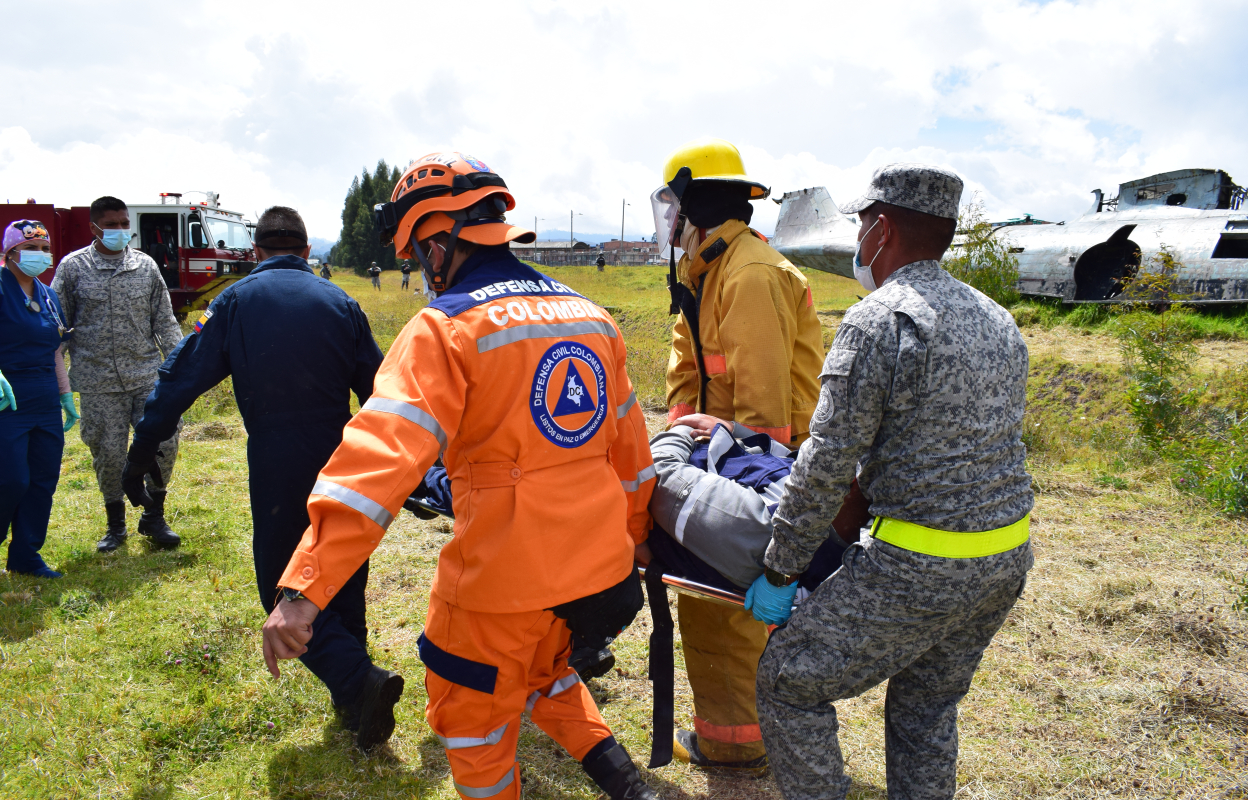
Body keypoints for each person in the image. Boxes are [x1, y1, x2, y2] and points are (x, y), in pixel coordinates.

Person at [261, 152, 660, 799]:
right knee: (545, 672)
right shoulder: (592, 317)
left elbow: (375, 466)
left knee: (469, 717)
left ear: (439, 244)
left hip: (500, 583)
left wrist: (304, 590)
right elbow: (633, 458)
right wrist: (636, 540)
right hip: (595, 570)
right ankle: (627, 786)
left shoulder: (444, 329)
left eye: (420, 255)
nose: (424, 271)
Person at [749, 164, 1036, 800]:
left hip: (920, 566)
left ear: (881, 230)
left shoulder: (879, 320)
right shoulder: (997, 319)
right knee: (926, 709)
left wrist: (781, 569)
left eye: (860, 226)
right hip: (1003, 560)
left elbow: (826, 461)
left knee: (789, 683)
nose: (857, 241)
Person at [122, 206, 395, 749]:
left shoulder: (236, 301)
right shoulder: (341, 302)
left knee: (280, 580)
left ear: (256, 250)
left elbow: (181, 377)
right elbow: (381, 389)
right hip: (343, 453)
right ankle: (355, 701)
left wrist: (145, 444)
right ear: (306, 249)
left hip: (277, 456)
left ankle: (356, 680)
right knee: (339, 563)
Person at [649, 136, 825, 772]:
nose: (670, 221)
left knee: (727, 612)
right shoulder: (711, 269)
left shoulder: (748, 275)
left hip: (746, 471)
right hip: (715, 461)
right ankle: (732, 734)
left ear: (693, 203)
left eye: (673, 206)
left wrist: (730, 481)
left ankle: (739, 744)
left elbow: (764, 414)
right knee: (707, 603)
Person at [51, 196, 183, 554]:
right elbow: (57, 327)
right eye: (112, 225)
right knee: (108, 454)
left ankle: (154, 516)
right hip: (98, 382)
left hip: (146, 376)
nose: (121, 230)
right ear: (94, 227)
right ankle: (116, 524)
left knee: (164, 443)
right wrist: (54, 378)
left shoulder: (145, 265)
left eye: (125, 223)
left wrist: (180, 368)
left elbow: (165, 321)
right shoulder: (73, 267)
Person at [0, 220, 79, 578]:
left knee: (42, 479)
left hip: (45, 397)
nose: (41, 255)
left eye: (46, 249)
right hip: (7, 399)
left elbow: (54, 348)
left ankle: (25, 554)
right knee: (11, 479)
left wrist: (64, 393)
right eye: (31, 248)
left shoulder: (48, 295)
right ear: (11, 253)